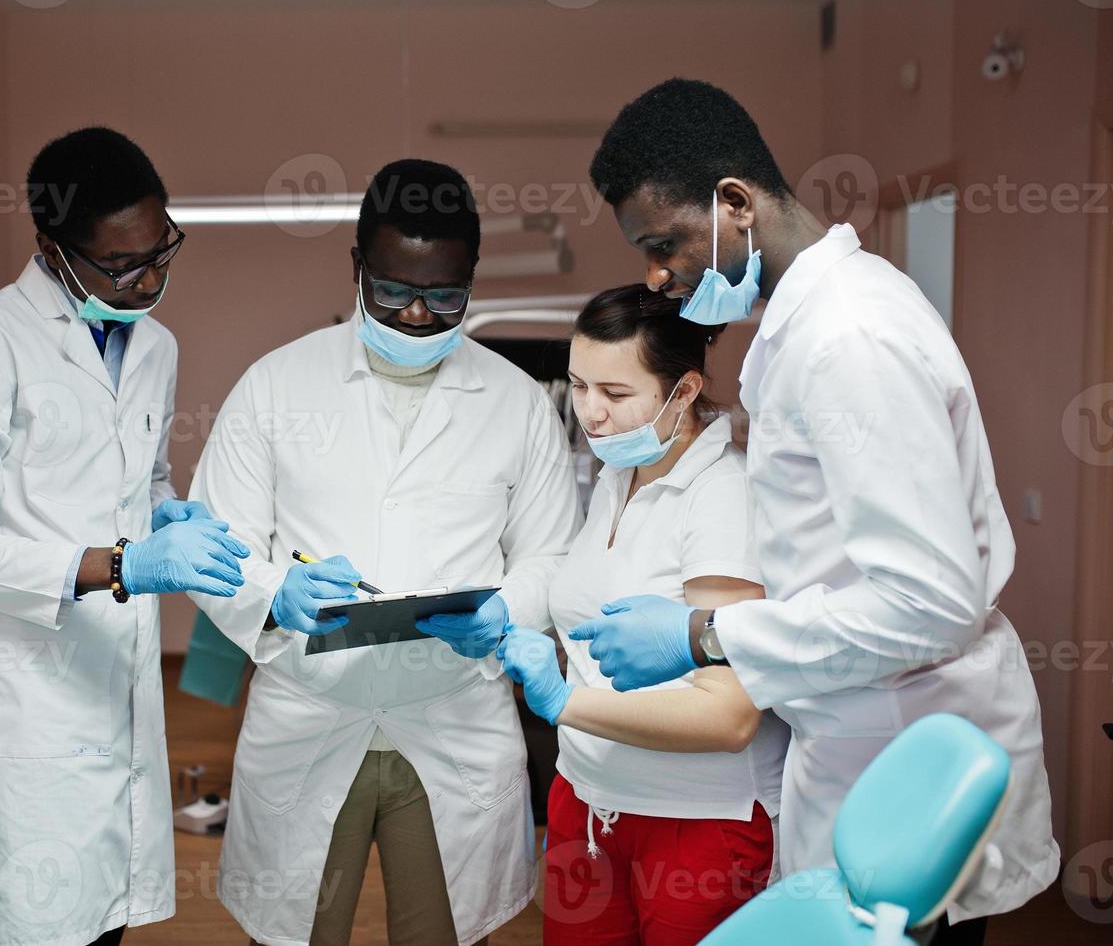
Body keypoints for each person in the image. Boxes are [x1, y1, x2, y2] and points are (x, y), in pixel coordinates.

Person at [575, 78, 1058, 943]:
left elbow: (929, 603)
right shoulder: (808, 321)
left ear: (734, 202)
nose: (656, 274)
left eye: (665, 242)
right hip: (861, 742)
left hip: (905, 758)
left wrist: (701, 636)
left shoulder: (848, 337)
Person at [188, 159, 582, 946]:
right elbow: (217, 544)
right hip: (309, 706)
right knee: (300, 930)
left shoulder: (517, 403)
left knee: (438, 933)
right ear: (357, 269)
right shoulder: (274, 386)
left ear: (471, 279)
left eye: (443, 297)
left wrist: (507, 610)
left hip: (450, 716)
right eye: (392, 291)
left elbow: (551, 556)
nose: (414, 317)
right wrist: (274, 594)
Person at [0, 127, 249, 946]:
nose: (150, 278)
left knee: (108, 922)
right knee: (37, 921)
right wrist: (121, 563)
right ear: (52, 251)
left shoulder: (154, 345)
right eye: (122, 265)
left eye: (162, 251)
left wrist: (173, 513)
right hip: (33, 694)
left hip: (120, 675)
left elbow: (142, 477)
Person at [497, 286, 787, 945]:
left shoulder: (722, 494)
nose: (590, 414)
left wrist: (561, 701)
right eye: (576, 385)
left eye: (615, 393)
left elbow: (729, 716)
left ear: (682, 392)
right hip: (586, 799)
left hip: (695, 819)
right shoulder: (617, 474)